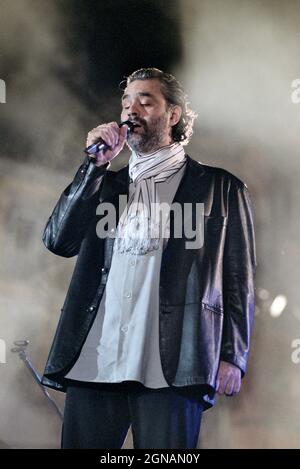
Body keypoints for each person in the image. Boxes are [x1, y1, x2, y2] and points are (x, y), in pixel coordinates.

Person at [41, 68, 257, 449]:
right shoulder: (104, 184)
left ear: (173, 115)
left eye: (145, 100)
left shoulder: (219, 188)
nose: (130, 110)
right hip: (96, 361)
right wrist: (93, 167)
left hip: (172, 367)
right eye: (126, 101)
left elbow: (239, 278)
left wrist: (233, 355)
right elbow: (59, 240)